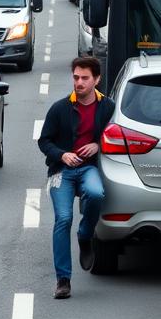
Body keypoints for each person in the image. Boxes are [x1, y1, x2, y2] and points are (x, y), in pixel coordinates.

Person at [39, 53, 116, 299]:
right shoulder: (60, 108)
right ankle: (63, 280)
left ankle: (85, 236)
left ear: (97, 79)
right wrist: (62, 155)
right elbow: (44, 141)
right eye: (75, 77)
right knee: (63, 218)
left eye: (84, 78)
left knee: (95, 193)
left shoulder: (108, 107)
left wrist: (98, 145)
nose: (79, 82)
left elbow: (114, 135)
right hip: (61, 171)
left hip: (89, 168)